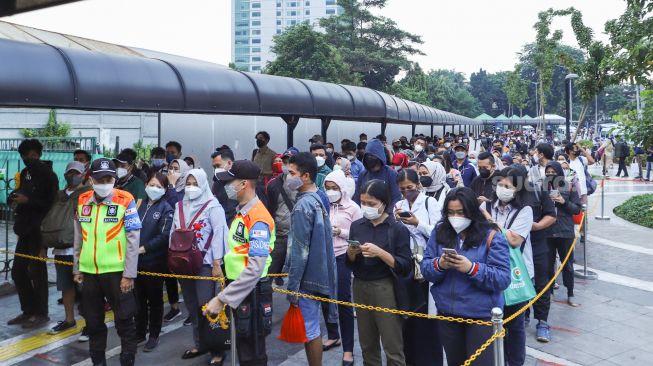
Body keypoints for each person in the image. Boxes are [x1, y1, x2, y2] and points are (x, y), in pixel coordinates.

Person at [421, 187, 511, 366]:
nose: (456, 217)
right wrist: (440, 264)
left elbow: (502, 277)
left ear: (472, 211)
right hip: (448, 313)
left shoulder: (491, 236)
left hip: (481, 316)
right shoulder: (440, 232)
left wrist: (472, 268)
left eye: (461, 213)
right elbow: (426, 267)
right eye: (451, 213)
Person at [73, 158, 142, 366]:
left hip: (117, 273)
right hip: (89, 272)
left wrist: (129, 274)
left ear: (114, 179)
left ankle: (127, 360)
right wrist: (77, 267)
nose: (105, 182)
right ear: (91, 180)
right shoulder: (83, 199)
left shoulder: (125, 199)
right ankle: (98, 362)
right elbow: (78, 236)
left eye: (109, 178)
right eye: (100, 178)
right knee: (93, 323)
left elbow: (133, 238)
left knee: (124, 321)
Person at [206, 160, 276, 366]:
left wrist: (222, 299)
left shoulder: (258, 218)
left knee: (252, 354)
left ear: (244, 184)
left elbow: (255, 268)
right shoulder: (242, 211)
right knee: (244, 349)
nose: (227, 187)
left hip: (252, 292)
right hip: (242, 290)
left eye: (231, 182)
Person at [347, 179, 412, 366]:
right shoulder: (358, 225)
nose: (366, 207)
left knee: (392, 345)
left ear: (384, 202)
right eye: (363, 203)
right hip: (360, 284)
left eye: (371, 204)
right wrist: (351, 253)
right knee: (367, 344)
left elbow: (404, 265)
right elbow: (350, 263)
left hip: (385, 287)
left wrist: (381, 253)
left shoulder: (397, 228)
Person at [284, 152, 337, 366]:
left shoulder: (302, 206)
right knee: (311, 327)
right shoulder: (319, 197)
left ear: (305, 176)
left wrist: (293, 287)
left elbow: (299, 250)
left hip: (307, 279)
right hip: (320, 272)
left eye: (292, 173)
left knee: (310, 330)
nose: (288, 177)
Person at [173, 169, 228, 365]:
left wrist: (216, 263)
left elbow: (220, 234)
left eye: (195, 183)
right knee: (192, 307)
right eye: (188, 183)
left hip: (205, 264)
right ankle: (200, 343)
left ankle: (217, 349)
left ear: (203, 184)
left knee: (208, 307)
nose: (191, 187)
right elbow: (174, 233)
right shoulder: (180, 205)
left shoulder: (213, 207)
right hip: (184, 264)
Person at [480, 168, 534, 366]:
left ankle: (515, 362)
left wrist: (487, 217)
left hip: (516, 273)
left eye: (508, 186)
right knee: (493, 322)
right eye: (500, 185)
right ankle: (497, 360)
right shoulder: (488, 205)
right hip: (491, 269)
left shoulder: (525, 210)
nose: (503, 189)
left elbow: (513, 240)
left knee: (515, 325)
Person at [393, 169, 443, 366]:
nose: (407, 193)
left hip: (426, 265)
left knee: (426, 319)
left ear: (418, 185)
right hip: (406, 266)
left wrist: (418, 223)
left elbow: (439, 233)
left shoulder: (430, 203)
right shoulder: (399, 205)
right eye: (403, 189)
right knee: (408, 318)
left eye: (410, 188)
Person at [8, 139, 58, 329]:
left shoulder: (49, 176)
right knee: (18, 271)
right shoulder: (25, 173)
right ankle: (28, 310)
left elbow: (50, 205)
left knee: (37, 272)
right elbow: (22, 192)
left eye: (32, 155)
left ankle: (41, 313)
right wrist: (15, 196)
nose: (28, 158)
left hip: (40, 230)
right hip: (25, 228)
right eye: (25, 155)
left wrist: (28, 200)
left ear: (38, 154)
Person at [47, 161, 91, 334]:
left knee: (86, 289)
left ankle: (91, 323)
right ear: (65, 174)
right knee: (66, 286)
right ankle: (69, 319)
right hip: (61, 248)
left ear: (83, 175)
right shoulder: (59, 195)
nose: (73, 176)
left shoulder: (89, 194)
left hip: (81, 249)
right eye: (70, 172)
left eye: (76, 173)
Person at [322, 170, 361, 366]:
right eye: (327, 188)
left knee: (343, 301)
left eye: (334, 188)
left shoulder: (353, 208)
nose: (330, 192)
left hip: (343, 256)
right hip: (324, 257)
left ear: (342, 188)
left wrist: (341, 232)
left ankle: (348, 350)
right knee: (324, 297)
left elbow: (359, 235)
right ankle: (332, 334)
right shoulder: (322, 205)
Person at [135, 172, 174, 352]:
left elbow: (165, 235)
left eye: (159, 186)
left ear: (165, 189)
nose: (154, 189)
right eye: (152, 185)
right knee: (138, 299)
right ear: (145, 185)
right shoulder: (139, 204)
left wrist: (145, 248)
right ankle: (140, 332)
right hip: (135, 261)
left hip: (154, 262)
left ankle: (154, 334)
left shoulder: (166, 208)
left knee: (155, 300)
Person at [544, 161, 582, 307]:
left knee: (568, 265)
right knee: (548, 264)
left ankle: (570, 293)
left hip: (565, 231)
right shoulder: (541, 187)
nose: (550, 175)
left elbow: (577, 209)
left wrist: (562, 201)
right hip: (547, 231)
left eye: (554, 172)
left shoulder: (569, 186)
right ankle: (550, 292)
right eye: (548, 172)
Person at [264, 147, 299, 286]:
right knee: (269, 275)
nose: (287, 164)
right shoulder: (273, 184)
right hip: (279, 237)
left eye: (291, 161)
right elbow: (269, 209)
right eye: (285, 161)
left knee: (297, 279)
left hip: (298, 238)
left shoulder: (303, 184)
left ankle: (296, 306)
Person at [353, 138, 402, 213]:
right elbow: (357, 197)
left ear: (380, 156)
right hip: (365, 214)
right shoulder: (363, 174)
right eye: (368, 156)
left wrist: (387, 215)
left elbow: (396, 198)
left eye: (372, 156)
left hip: (386, 216)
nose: (370, 159)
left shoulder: (391, 173)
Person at [211, 148, 238, 225]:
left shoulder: (234, 183)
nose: (216, 169)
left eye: (218, 166)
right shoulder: (217, 182)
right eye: (214, 167)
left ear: (229, 163)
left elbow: (231, 209)